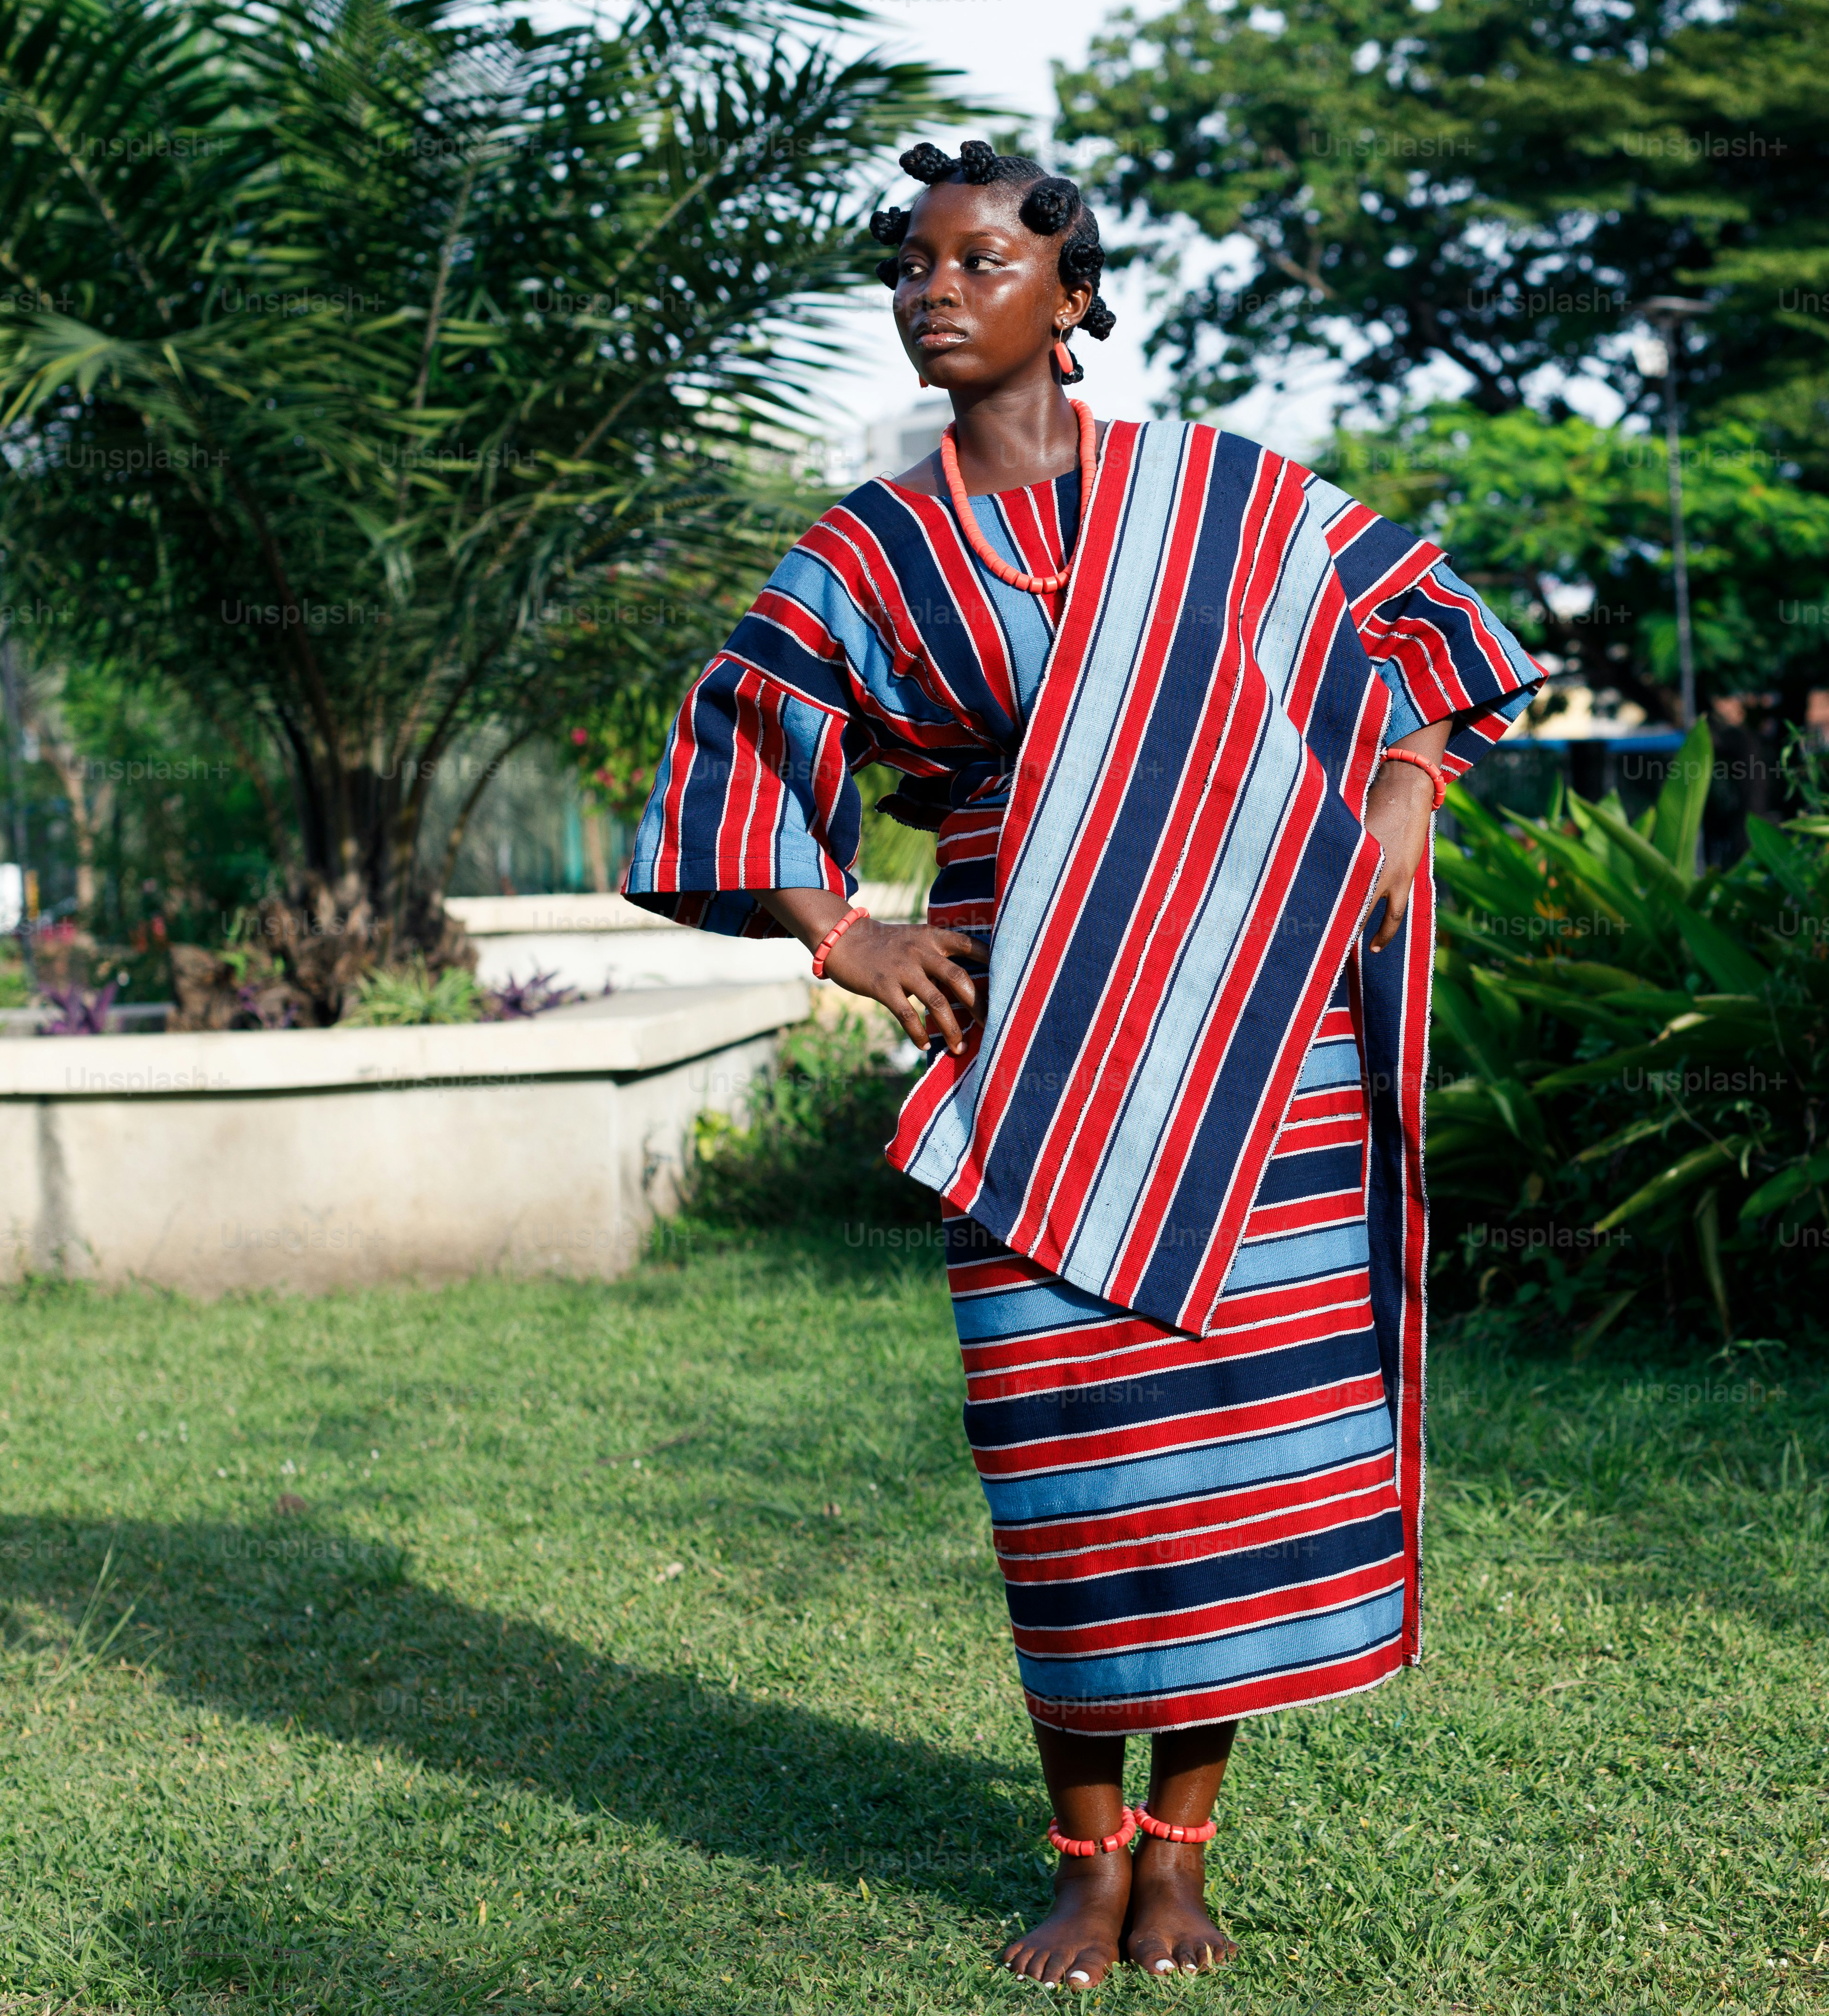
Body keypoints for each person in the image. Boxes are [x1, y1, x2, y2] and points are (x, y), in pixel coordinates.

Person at [623, 139, 1543, 1990]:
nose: (935, 290)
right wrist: (847, 935)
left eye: (980, 260)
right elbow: (741, 733)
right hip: (1029, 1041)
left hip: (1254, 1030)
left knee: (1223, 1460)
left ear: (1074, 298)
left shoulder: (1222, 500)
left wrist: (1399, 788)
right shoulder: (867, 551)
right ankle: (1084, 1853)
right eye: (913, 264)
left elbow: (1434, 632)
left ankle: (1182, 1855)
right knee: (1070, 1472)